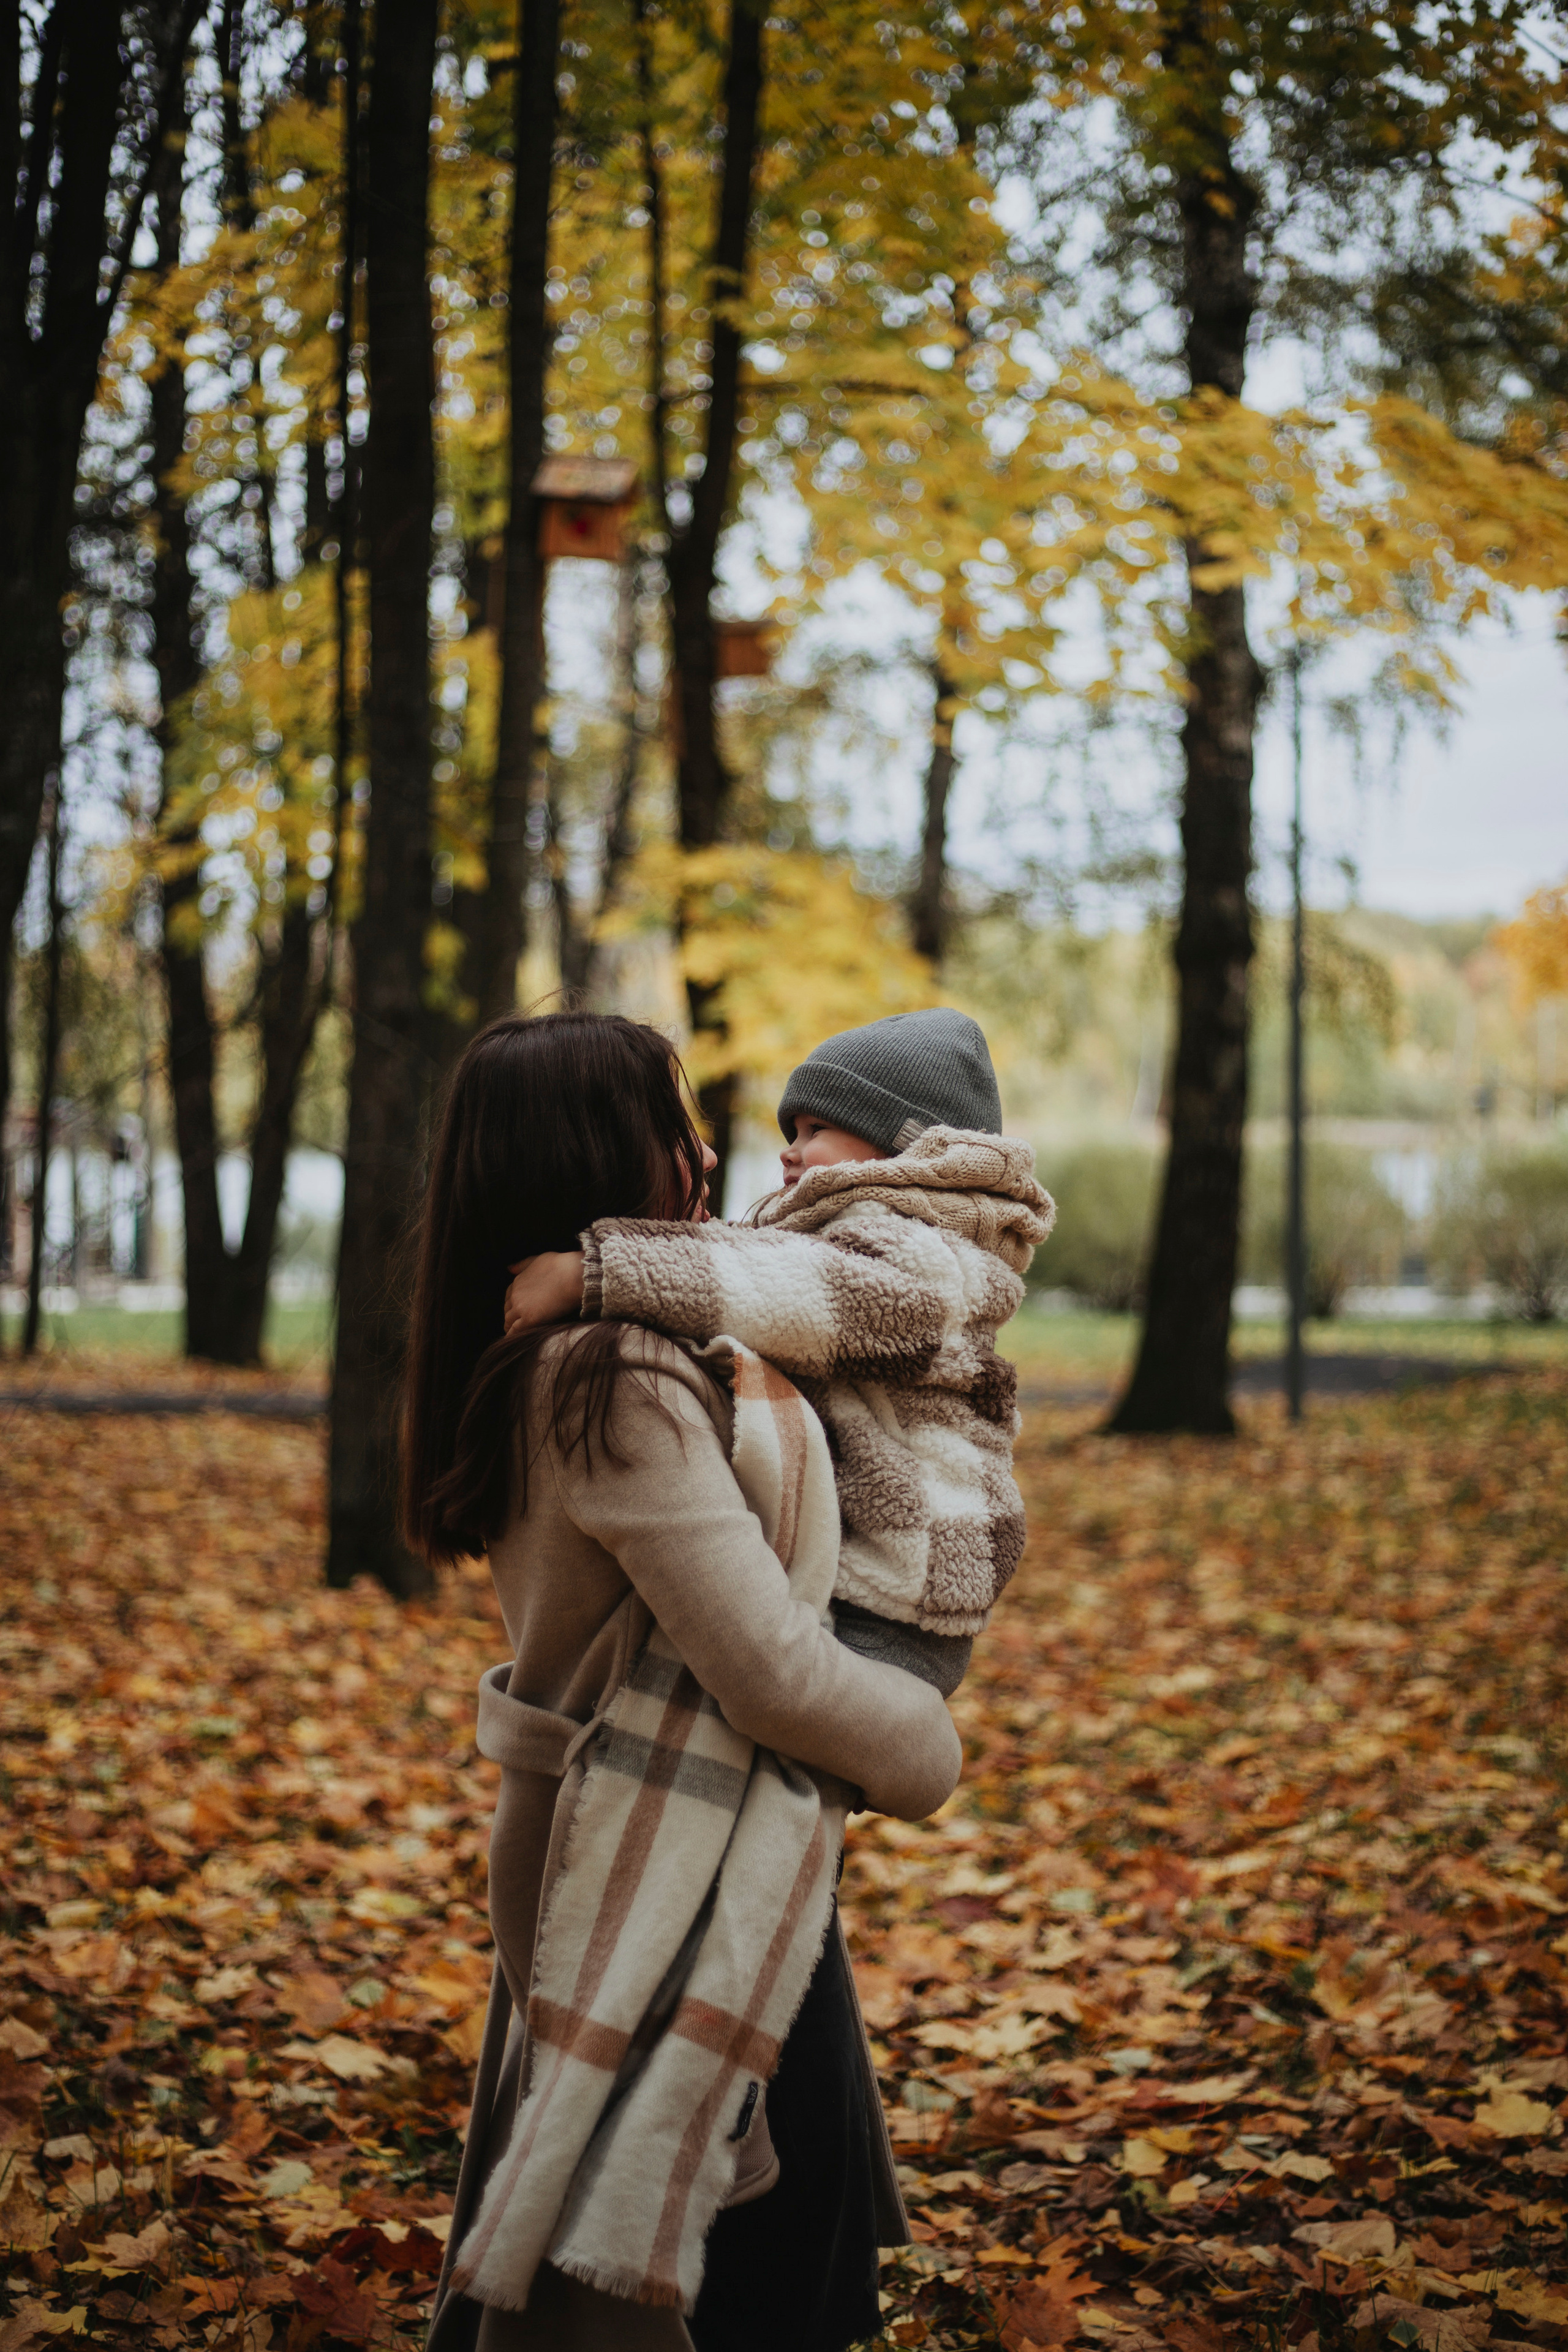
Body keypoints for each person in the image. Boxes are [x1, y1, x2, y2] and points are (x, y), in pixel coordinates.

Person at [405, 1011, 963, 2352]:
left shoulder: (577, 1350)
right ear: (596, 1150)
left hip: (661, 1846)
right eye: (675, 1121)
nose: (707, 1153)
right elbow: (766, 1671)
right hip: (672, 1863)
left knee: (731, 2254)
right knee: (748, 2285)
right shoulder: (615, 1379)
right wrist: (924, 1749)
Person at [504, 1008, 1055, 1700]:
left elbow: (786, 1290)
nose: (790, 1150)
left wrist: (595, 1268)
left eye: (816, 1130)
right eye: (791, 1131)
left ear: (906, 1149)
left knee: (806, 1730)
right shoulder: (841, 1235)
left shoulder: (926, 1257)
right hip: (867, 1572)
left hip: (905, 1589)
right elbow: (755, 1268)